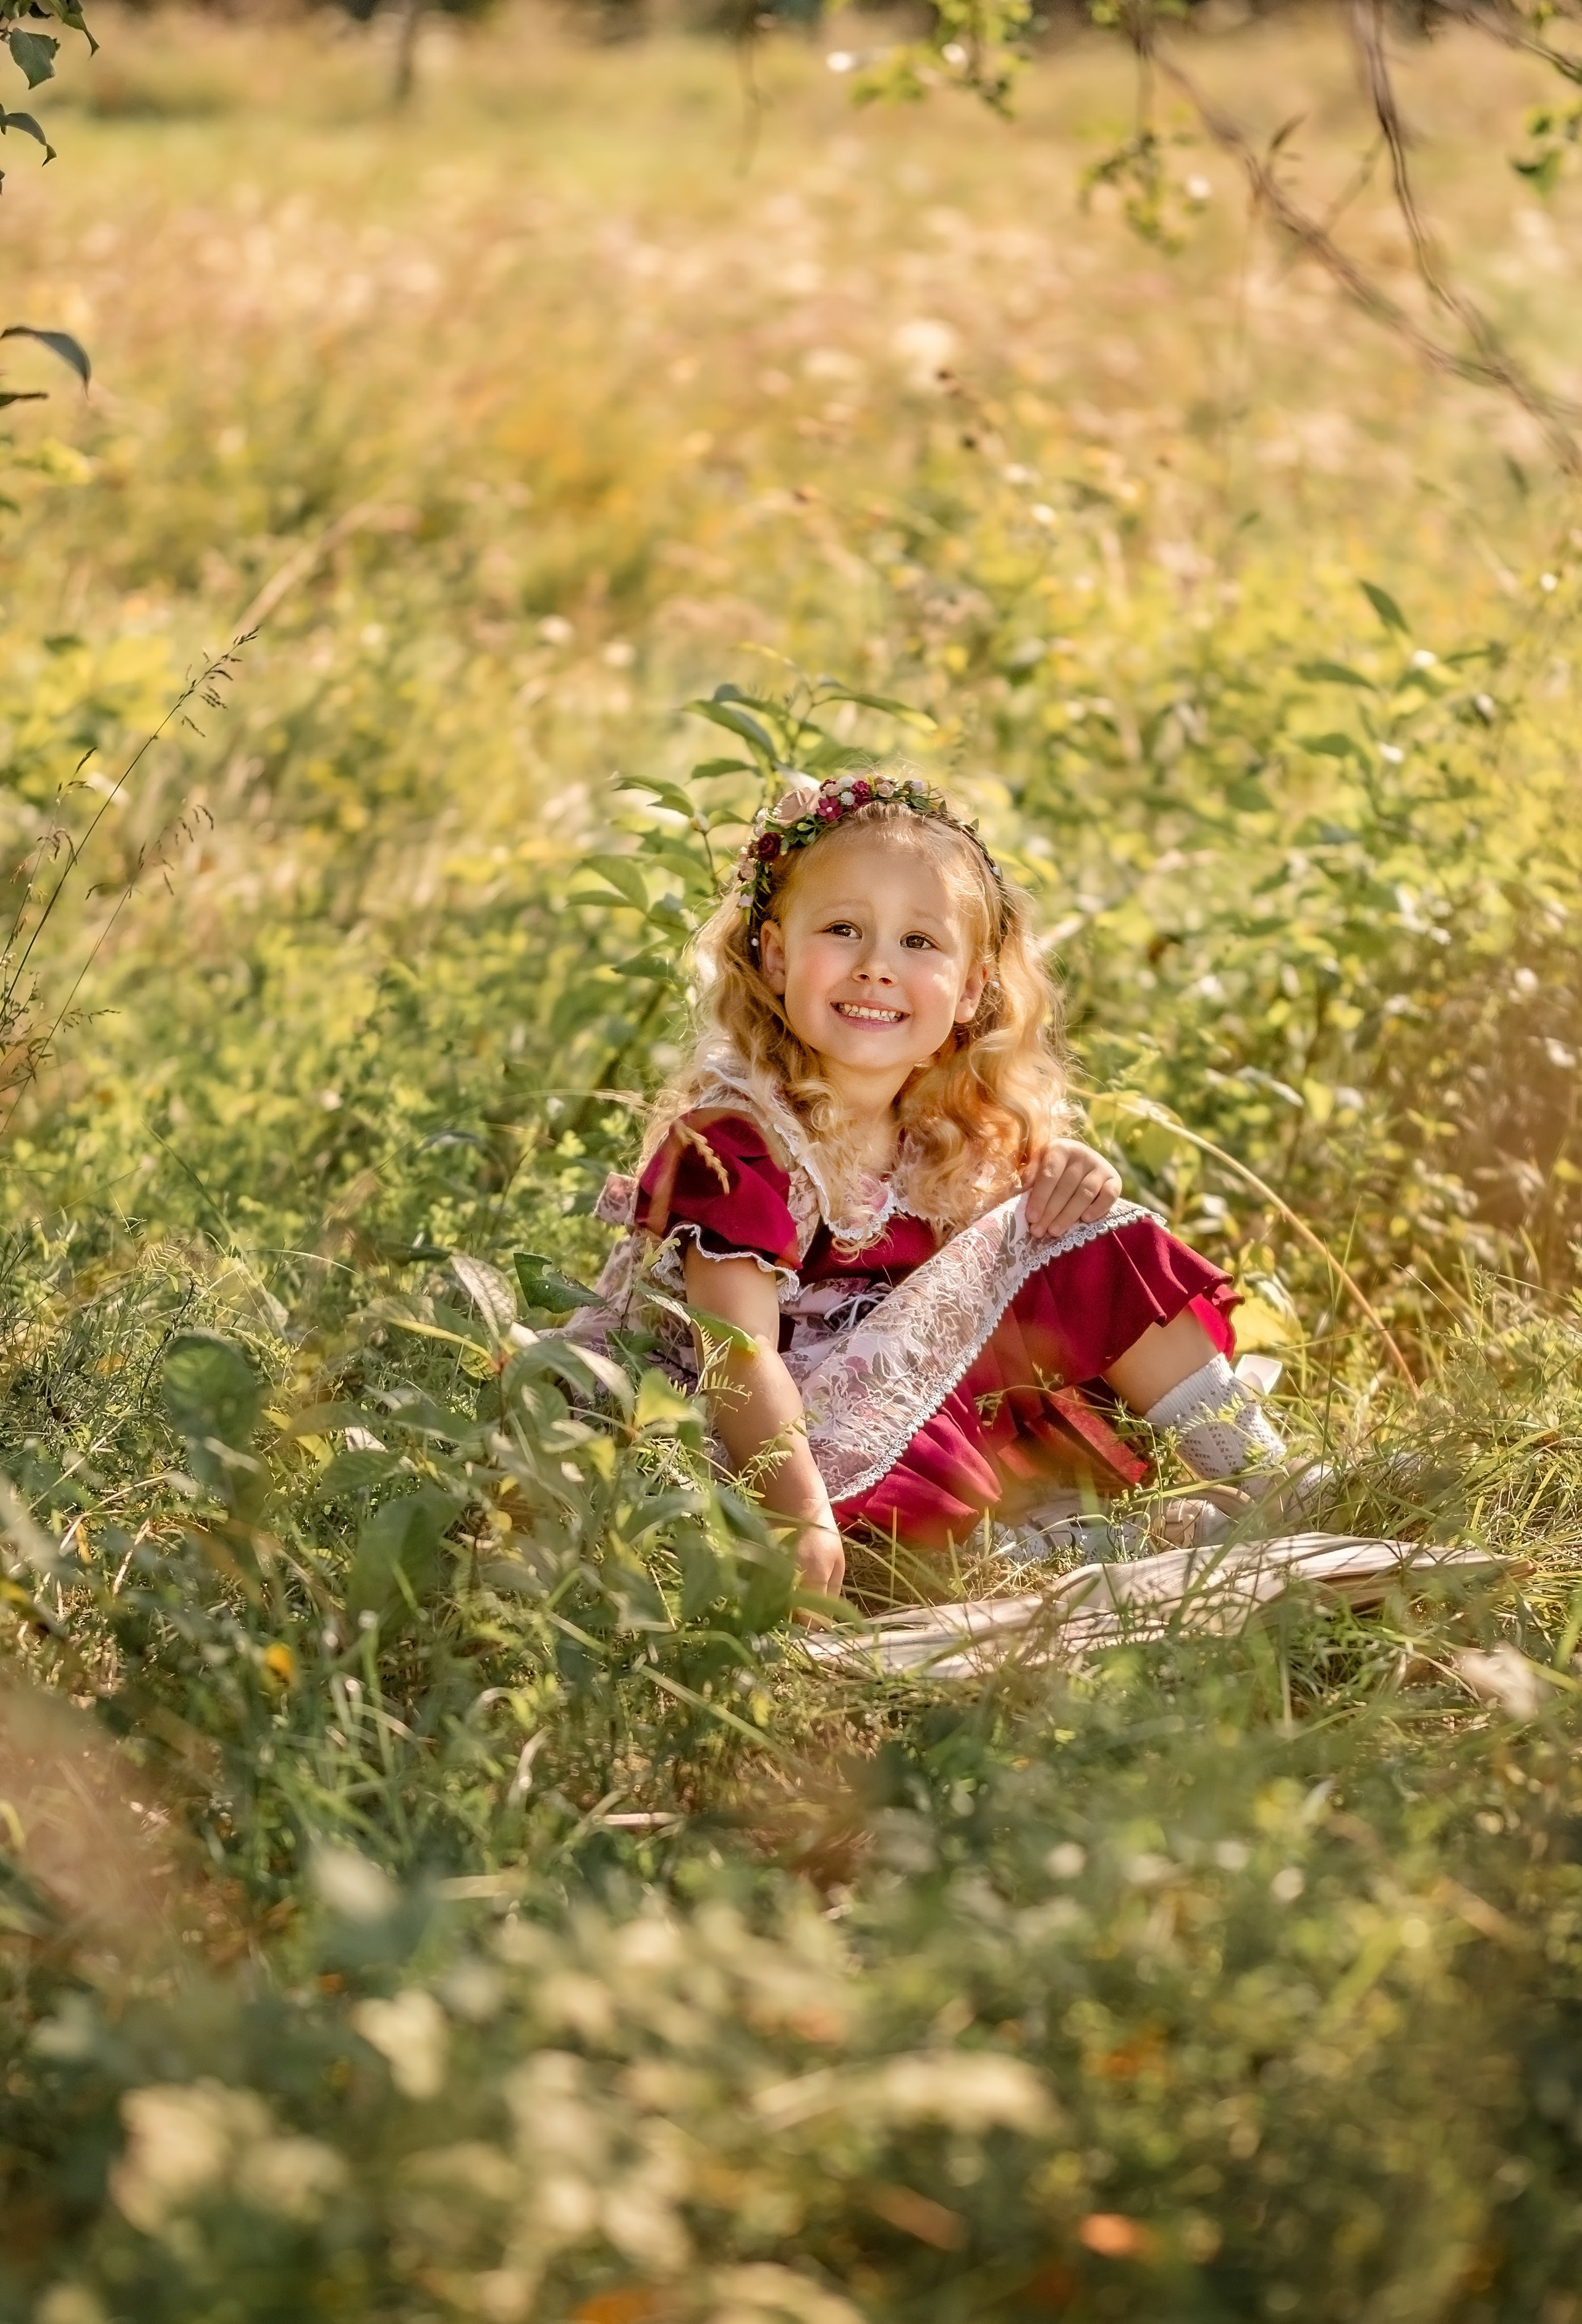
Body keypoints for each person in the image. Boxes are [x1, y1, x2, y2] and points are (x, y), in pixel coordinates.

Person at [583, 768, 1289, 1602]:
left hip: (885, 1416)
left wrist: (1075, 1177)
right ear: (774, 957)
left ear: (971, 992)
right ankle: (1083, 1549)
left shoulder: (944, 1129)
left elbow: (1036, 1267)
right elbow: (738, 1359)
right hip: (757, 1449)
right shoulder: (739, 1138)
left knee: (1092, 1230)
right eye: (843, 929)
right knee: (874, 1521)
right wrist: (797, 1517)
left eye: (919, 943)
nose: (878, 968)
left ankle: (1264, 1479)